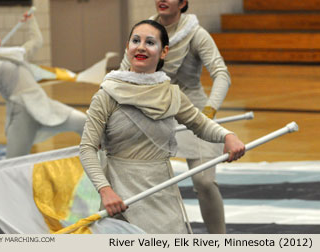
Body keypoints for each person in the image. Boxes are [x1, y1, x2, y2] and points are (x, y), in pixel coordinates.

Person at [80, 19, 245, 234]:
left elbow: (200, 124)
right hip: (120, 192)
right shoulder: (107, 94)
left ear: (164, 51)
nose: (141, 47)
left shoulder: (171, 94)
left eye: (150, 42)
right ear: (127, 48)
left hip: (161, 190)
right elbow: (87, 148)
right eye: (135, 41)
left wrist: (228, 135)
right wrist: (105, 190)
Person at [119, 0, 231, 234]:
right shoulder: (145, 32)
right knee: (135, 181)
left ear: (182, 3)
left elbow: (221, 74)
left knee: (204, 182)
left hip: (193, 112)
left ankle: (219, 241)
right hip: (153, 114)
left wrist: (209, 110)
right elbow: (122, 75)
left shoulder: (196, 34)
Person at [0, 12, 86, 158]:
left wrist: (31, 21)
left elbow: (37, 41)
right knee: (13, 161)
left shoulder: (16, 54)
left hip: (44, 105)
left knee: (84, 122)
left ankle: (102, 161)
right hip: (22, 112)